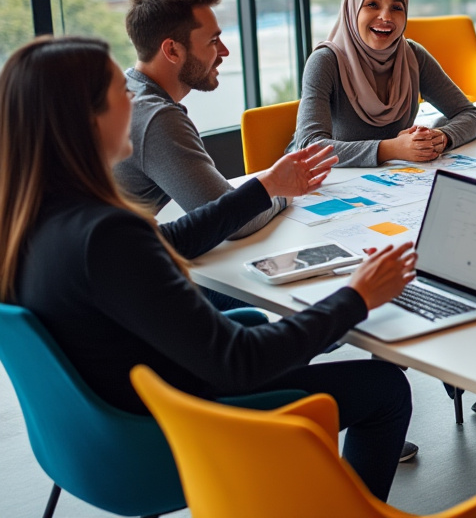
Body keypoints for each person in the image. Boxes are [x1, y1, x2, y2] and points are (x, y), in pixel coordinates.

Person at [0, 36, 419, 501]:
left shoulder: (32, 219)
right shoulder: (106, 233)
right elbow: (241, 363)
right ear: (85, 120)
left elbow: (161, 246)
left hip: (88, 436)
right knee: (385, 388)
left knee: (257, 317)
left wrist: (263, 188)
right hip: (170, 433)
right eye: (121, 90)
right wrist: (356, 298)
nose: (133, 99)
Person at [114, 0, 285, 240]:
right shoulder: (156, 117)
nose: (224, 51)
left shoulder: (127, 89)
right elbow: (235, 221)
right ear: (172, 50)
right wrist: (284, 191)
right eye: (213, 41)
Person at [293, 0, 476, 166]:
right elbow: (310, 149)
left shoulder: (412, 56)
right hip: (331, 184)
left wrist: (441, 138)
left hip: (391, 182)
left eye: (397, 7)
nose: (386, 16)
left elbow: (472, 116)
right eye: (372, 4)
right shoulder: (325, 62)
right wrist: (393, 149)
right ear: (352, 10)